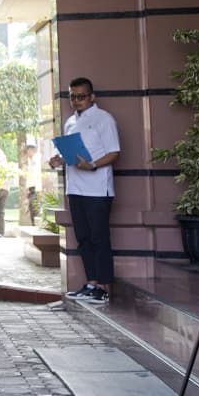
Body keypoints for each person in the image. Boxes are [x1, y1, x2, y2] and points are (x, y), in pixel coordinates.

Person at [50, 78, 120, 304]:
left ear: (92, 97)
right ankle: (91, 284)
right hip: (75, 188)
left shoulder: (104, 119)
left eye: (81, 96)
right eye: (72, 96)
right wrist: (59, 159)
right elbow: (72, 154)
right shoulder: (70, 122)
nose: (76, 100)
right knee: (83, 238)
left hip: (98, 190)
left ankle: (104, 288)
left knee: (99, 238)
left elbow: (114, 152)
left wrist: (93, 165)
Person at [21, 144, 42, 226]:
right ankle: (34, 225)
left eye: (27, 152)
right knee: (32, 209)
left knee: (35, 209)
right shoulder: (31, 161)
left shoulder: (37, 159)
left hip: (36, 188)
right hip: (31, 189)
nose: (27, 155)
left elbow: (36, 176)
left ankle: (37, 226)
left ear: (31, 150)